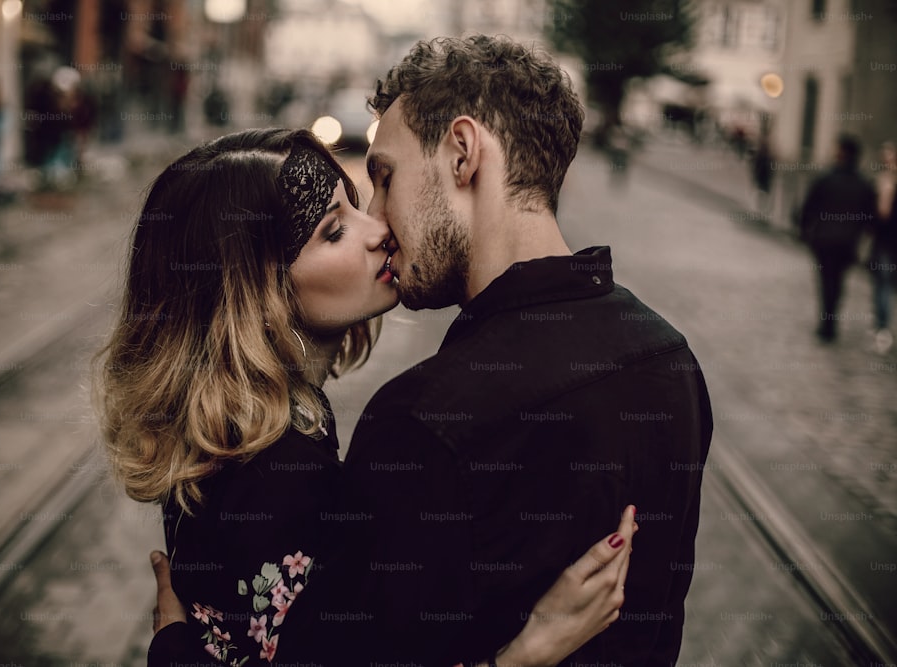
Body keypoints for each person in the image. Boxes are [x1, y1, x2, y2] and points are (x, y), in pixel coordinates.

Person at [153, 35, 713, 666]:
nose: (381, 220)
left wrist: (175, 650)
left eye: (384, 177)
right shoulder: (673, 362)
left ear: (463, 153)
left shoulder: (422, 423)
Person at [96, 127, 637, 666]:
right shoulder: (277, 470)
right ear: (255, 292)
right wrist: (530, 653)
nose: (378, 228)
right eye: (333, 231)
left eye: (354, 206)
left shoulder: (251, 425)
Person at [800, 134, 877, 342]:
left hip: (825, 240)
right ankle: (830, 320)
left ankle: (827, 322)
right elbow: (871, 217)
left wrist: (805, 232)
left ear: (842, 153)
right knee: (838, 281)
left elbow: (808, 208)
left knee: (827, 281)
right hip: (847, 242)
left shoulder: (825, 178)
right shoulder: (863, 184)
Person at [869, 141, 897, 353]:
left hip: (886, 242)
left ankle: (882, 329)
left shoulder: (888, 181)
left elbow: (883, 213)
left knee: (883, 285)